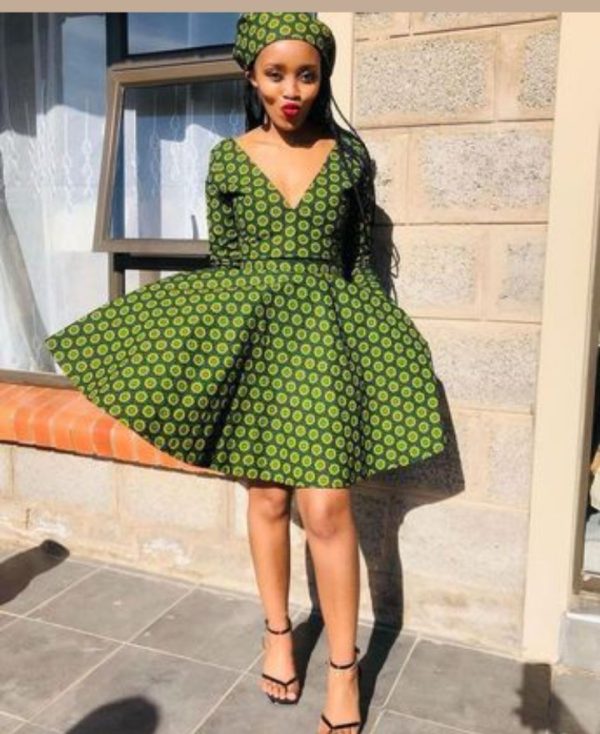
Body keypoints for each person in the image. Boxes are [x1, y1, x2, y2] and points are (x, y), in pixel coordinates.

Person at [44, 12, 448, 733]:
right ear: (250, 75)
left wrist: (381, 347)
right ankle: (276, 634)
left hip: (323, 343)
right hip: (259, 340)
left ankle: (345, 669)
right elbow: (228, 265)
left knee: (327, 508)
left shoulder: (348, 159)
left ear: (322, 77)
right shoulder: (228, 160)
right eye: (275, 74)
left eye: (306, 75)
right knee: (265, 498)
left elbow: (359, 266)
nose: (291, 90)